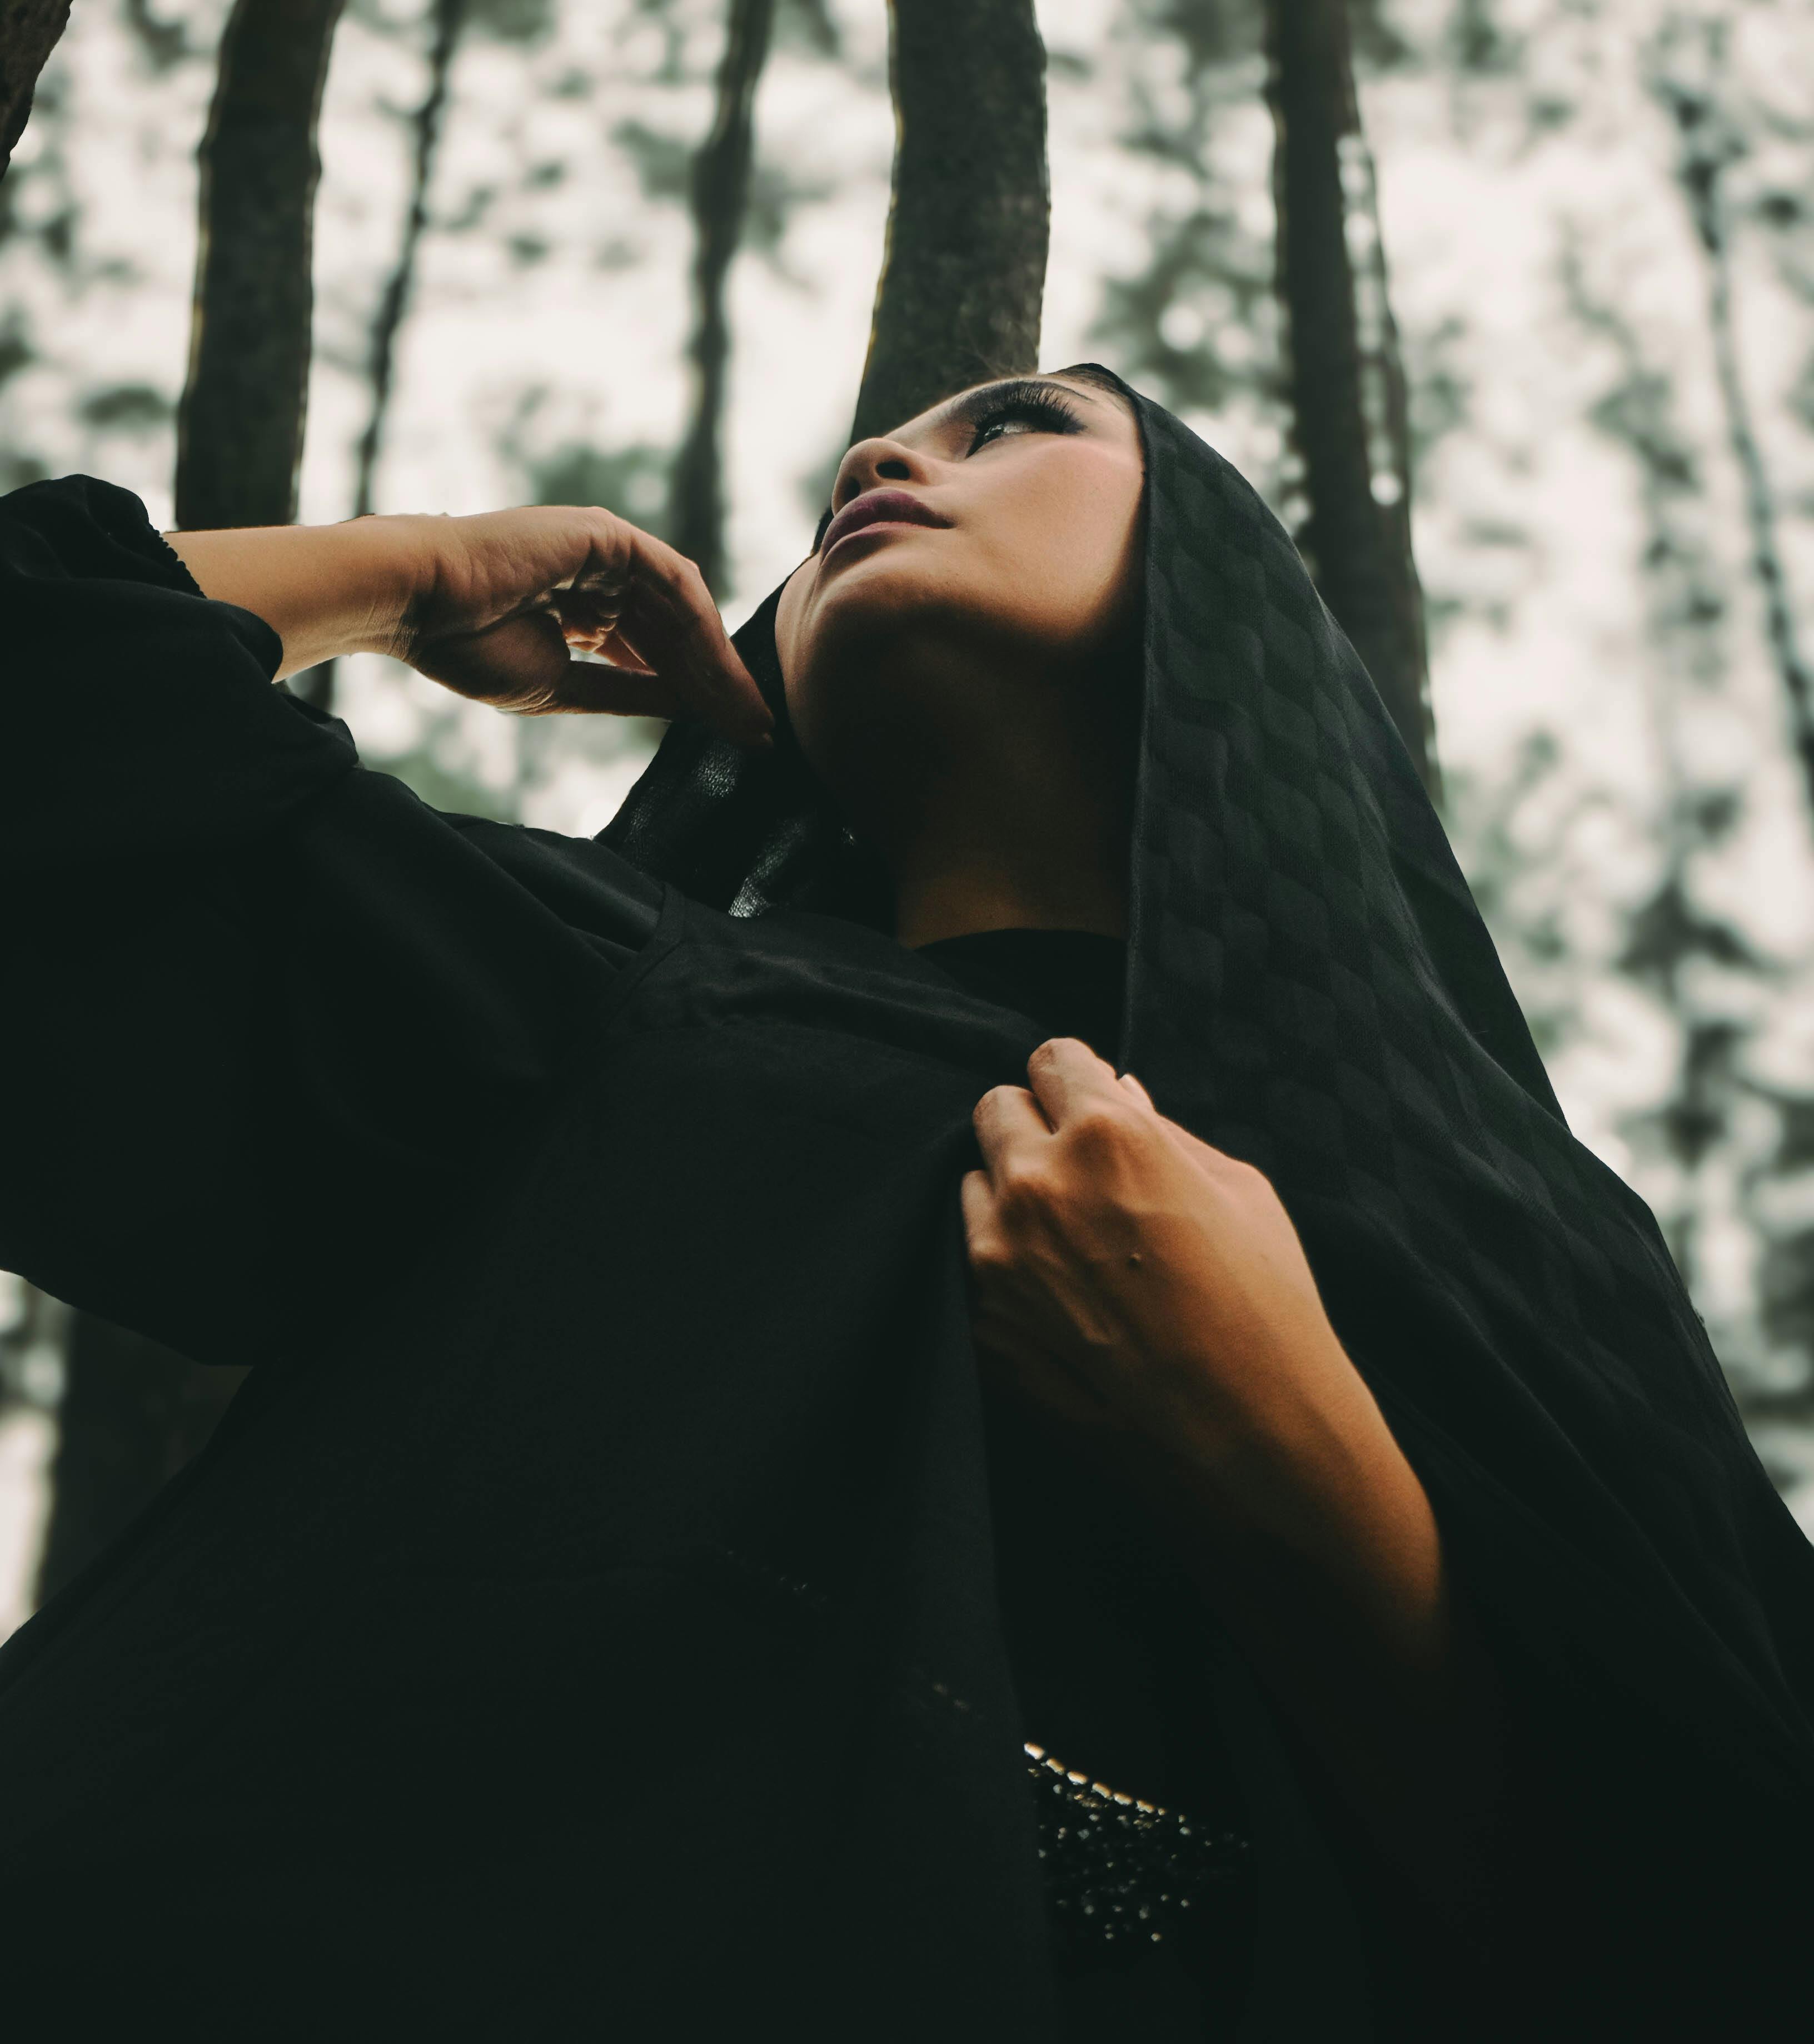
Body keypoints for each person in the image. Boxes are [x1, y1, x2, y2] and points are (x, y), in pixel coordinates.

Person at [0, 364, 1809, 2041]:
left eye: (1014, 426)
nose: (882, 462)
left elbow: (1716, 1913)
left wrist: (1291, 1449)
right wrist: (408, 580)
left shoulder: (1515, 1237)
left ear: (1230, 597)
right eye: (880, 453)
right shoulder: (579, 997)